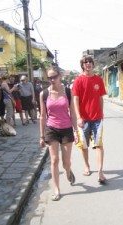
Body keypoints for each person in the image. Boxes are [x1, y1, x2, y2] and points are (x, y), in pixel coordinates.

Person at [39, 65, 78, 201]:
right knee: (54, 160)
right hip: (51, 129)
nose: (52, 80)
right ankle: (56, 189)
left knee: (66, 161)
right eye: (49, 78)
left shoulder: (68, 92)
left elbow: (72, 112)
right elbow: (43, 116)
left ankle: (68, 170)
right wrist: (42, 136)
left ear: (60, 76)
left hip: (66, 129)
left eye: (54, 77)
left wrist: (76, 131)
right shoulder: (44, 94)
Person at [72, 55, 107, 184]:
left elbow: (100, 98)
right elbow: (75, 99)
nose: (88, 64)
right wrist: (79, 117)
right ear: (83, 65)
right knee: (84, 145)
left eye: (90, 62)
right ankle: (86, 165)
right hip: (84, 119)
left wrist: (101, 114)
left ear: (93, 64)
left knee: (99, 144)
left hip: (97, 118)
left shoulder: (98, 79)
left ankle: (100, 171)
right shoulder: (78, 80)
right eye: (85, 62)